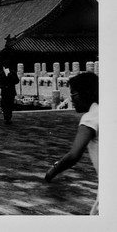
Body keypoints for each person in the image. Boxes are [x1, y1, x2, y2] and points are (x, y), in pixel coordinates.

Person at [44, 71, 99, 215]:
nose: (72, 99)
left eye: (73, 94)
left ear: (86, 93)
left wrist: (53, 170)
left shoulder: (90, 118)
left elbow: (74, 155)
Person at [0, 59, 19, 124]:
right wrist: (3, 87)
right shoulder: (1, 74)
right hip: (4, 92)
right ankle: (6, 117)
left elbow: (17, 81)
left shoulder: (13, 73)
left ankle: (9, 118)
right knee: (5, 106)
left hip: (11, 91)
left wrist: (10, 75)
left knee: (10, 105)